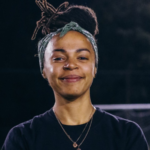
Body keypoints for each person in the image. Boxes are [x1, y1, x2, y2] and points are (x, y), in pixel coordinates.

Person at [2, 0, 149, 150]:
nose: (71, 65)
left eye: (82, 57)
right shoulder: (22, 138)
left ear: (95, 67)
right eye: (58, 58)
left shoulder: (127, 135)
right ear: (44, 69)